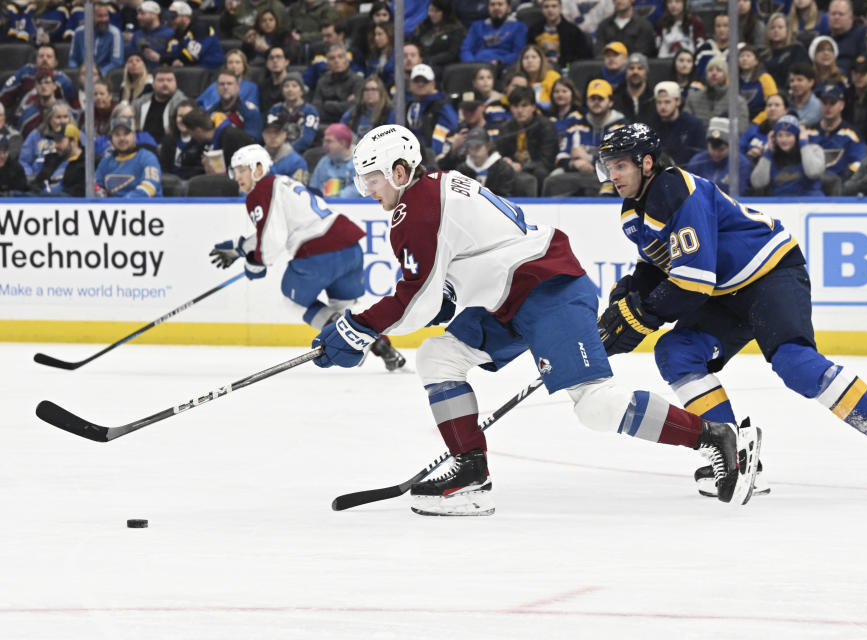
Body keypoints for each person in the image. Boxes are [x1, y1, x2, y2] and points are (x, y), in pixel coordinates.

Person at [310, 123, 761, 516]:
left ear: (400, 172)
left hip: (547, 290)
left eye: (373, 178)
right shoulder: (437, 188)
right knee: (438, 358)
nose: (368, 190)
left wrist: (356, 328)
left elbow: (416, 303)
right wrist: (440, 299)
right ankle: (470, 469)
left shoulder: (418, 208)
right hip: (505, 298)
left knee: (597, 405)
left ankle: (712, 436)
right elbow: (461, 269)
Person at [594, 122, 867, 500]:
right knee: (676, 352)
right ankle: (732, 453)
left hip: (770, 272)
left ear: (646, 163)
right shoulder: (633, 212)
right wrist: (625, 299)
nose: (612, 175)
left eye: (620, 165)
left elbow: (692, 283)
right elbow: (659, 267)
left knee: (796, 364)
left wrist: (640, 316)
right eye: (608, 165)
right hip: (725, 293)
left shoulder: (677, 189)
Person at [211, 144, 405, 370]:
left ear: (259, 168)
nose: (238, 177)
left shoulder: (261, 190)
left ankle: (345, 338)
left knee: (292, 301)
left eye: (242, 169)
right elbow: (278, 226)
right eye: (235, 171)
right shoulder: (283, 183)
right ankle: (384, 349)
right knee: (347, 308)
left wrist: (257, 262)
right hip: (350, 248)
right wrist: (240, 247)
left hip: (318, 255)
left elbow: (273, 238)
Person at [545, 78, 627, 196]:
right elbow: (560, 156)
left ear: (610, 102)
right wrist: (574, 163)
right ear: (587, 101)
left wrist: (588, 159)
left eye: (601, 98)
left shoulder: (621, 127)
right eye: (592, 98)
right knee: (553, 179)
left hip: (607, 176)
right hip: (577, 173)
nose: (596, 102)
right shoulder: (576, 125)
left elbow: (620, 162)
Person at [496, 85, 559, 192]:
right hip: (511, 168)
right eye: (516, 106)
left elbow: (547, 161)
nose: (520, 110)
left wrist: (522, 166)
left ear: (533, 107)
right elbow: (499, 153)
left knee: (540, 173)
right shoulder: (505, 128)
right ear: (511, 108)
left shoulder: (546, 126)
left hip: (536, 169)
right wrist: (506, 161)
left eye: (524, 106)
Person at [808, 83, 864, 196]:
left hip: (840, 188)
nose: (828, 107)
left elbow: (858, 163)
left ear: (841, 105)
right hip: (812, 187)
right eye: (824, 103)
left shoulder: (851, 134)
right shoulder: (809, 133)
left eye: (832, 103)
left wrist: (842, 180)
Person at [750, 113, 825, 196]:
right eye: (780, 135)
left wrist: (803, 142)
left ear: (797, 136)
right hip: (780, 205)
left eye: (788, 135)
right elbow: (757, 183)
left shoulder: (814, 149)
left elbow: (813, 173)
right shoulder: (770, 155)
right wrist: (768, 152)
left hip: (811, 203)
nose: (783, 139)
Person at [95, 115, 163, 198]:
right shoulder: (105, 161)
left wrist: (124, 203)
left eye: (126, 133)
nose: (122, 138)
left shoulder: (147, 158)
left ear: (134, 135)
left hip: (146, 208)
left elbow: (150, 187)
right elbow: (95, 187)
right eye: (117, 134)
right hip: (114, 209)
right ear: (111, 138)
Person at [685, 116, 751, 195]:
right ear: (707, 144)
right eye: (712, 148)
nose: (716, 153)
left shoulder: (740, 164)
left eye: (721, 149)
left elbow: (739, 194)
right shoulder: (696, 161)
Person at [405, 63, 458, 159]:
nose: (420, 84)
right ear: (410, 84)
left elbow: (449, 130)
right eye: (417, 80)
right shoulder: (409, 105)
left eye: (425, 81)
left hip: (431, 159)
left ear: (433, 84)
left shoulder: (442, 106)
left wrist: (433, 160)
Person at [684, 56, 749, 134]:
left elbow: (741, 130)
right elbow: (685, 126)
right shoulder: (693, 98)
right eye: (710, 70)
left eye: (719, 70)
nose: (714, 73)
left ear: (725, 75)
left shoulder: (738, 102)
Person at [182, 108, 257, 173]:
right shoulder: (204, 143)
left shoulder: (232, 137)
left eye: (190, 132)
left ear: (198, 131)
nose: (191, 136)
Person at [649, 80, 704, 166]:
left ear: (678, 102)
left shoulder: (693, 125)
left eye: (667, 102)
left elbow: (701, 157)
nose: (662, 106)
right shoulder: (651, 125)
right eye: (659, 102)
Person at [460, 0, 528, 66]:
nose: (496, 7)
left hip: (503, 65)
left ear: (509, 9)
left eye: (500, 4)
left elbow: (518, 53)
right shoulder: (477, 26)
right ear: (488, 8)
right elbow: (466, 49)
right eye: (492, 4)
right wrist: (473, 63)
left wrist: (501, 62)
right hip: (477, 65)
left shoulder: (519, 27)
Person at [530, 0, 595, 68]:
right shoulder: (534, 30)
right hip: (539, 67)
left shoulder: (573, 31)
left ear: (561, 9)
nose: (550, 10)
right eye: (546, 7)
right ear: (542, 9)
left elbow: (583, 57)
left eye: (554, 6)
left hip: (566, 68)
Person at [454, 126, 518, 195]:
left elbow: (506, 196)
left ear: (488, 146)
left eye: (478, 146)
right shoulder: (462, 170)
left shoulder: (503, 169)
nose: (473, 151)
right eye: (470, 146)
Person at [265, 74, 320, 154]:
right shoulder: (275, 110)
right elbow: (271, 132)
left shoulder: (310, 111)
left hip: (301, 152)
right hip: (275, 149)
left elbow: (307, 138)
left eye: (294, 86)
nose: (290, 89)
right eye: (286, 86)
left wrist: (287, 151)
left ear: (301, 91)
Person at [163, 1, 226, 70]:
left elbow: (191, 55)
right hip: (192, 69)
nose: (171, 21)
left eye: (174, 17)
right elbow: (169, 53)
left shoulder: (201, 28)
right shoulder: (176, 34)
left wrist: (163, 59)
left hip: (212, 69)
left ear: (185, 16)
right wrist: (171, 61)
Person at [132, 66, 187, 144]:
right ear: (153, 84)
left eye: (169, 80)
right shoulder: (141, 103)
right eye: (161, 80)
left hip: (168, 147)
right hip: (142, 146)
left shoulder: (182, 104)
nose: (165, 83)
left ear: (176, 84)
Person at [197, 49, 262, 112]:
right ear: (226, 66)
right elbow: (198, 104)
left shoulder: (251, 87)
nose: (234, 66)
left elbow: (253, 109)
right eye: (230, 62)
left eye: (237, 62)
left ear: (244, 66)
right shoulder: (215, 85)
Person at [307, 122, 361, 198]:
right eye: (324, 141)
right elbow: (314, 190)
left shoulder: (362, 163)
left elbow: (362, 191)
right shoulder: (324, 162)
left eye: (329, 141)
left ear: (343, 143)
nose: (324, 145)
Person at [207, 70, 264, 140]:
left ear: (238, 88)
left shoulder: (251, 112)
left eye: (229, 84)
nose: (225, 87)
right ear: (217, 88)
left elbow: (252, 141)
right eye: (222, 84)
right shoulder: (210, 112)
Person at [31, 122, 84, 196]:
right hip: (41, 200)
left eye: (59, 141)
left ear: (74, 142)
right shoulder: (51, 159)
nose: (55, 145)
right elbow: (37, 183)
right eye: (55, 141)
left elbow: (77, 192)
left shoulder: (87, 163)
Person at [69, 3, 124, 74]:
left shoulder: (115, 33)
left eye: (106, 15)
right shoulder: (78, 33)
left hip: (106, 75)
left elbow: (116, 62)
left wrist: (99, 73)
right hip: (83, 75)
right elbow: (73, 59)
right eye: (100, 16)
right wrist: (79, 72)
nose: (104, 19)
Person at [764, 12, 811, 92]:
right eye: (772, 28)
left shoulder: (796, 49)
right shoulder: (764, 55)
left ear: (787, 30)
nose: (776, 30)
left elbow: (804, 74)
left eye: (780, 27)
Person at [159, 99, 205, 180]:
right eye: (180, 116)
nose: (183, 120)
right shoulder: (168, 140)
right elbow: (164, 168)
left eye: (187, 115)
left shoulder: (202, 141)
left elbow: (200, 171)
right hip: (169, 184)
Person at [413, 0, 466, 69]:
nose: (432, 14)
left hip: (444, 67)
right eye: (430, 10)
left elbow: (452, 54)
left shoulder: (456, 30)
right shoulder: (423, 27)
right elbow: (415, 46)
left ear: (445, 12)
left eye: (436, 11)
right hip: (422, 65)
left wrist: (430, 60)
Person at [513, 45, 561, 110]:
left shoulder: (553, 77)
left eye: (534, 57)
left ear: (541, 60)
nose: (530, 61)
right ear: (521, 62)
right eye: (526, 58)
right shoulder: (518, 80)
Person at [612, 52, 655, 124]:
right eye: (631, 68)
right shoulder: (615, 99)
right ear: (626, 72)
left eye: (640, 68)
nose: (635, 72)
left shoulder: (654, 99)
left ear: (646, 73)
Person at [128, 0, 173, 68]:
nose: (138, 17)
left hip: (162, 72)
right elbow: (130, 55)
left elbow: (173, 57)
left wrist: (160, 58)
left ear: (154, 14)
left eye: (142, 14)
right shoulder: (137, 35)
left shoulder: (169, 33)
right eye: (138, 14)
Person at [787, 62, 822, 127]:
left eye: (799, 80)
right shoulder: (785, 104)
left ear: (811, 82)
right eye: (792, 81)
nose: (795, 84)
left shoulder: (819, 107)